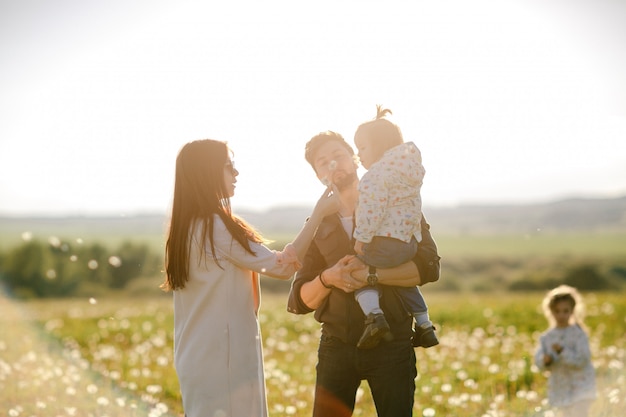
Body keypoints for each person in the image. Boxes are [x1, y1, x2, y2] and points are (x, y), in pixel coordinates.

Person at [162, 139, 338, 417]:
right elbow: (281, 267)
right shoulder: (215, 226)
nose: (236, 173)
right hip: (224, 358)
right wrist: (318, 214)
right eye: (229, 167)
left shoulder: (186, 229)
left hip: (197, 356)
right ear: (206, 172)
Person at [287, 130, 439, 417]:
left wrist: (371, 275)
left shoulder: (398, 204)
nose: (333, 165)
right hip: (336, 346)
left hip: (392, 344)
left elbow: (429, 268)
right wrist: (328, 278)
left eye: (339, 156)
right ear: (318, 173)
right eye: (323, 162)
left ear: (355, 158)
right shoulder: (317, 224)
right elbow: (299, 300)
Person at [351, 105, 438, 349]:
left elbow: (372, 211)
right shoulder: (409, 172)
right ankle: (424, 324)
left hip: (383, 242)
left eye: (363, 148)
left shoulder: (375, 176)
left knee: (359, 274)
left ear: (379, 147)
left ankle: (375, 317)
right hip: (407, 243)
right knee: (402, 280)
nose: (359, 155)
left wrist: (361, 239)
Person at [534, 285, 597, 417]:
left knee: (579, 413)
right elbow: (538, 361)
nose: (561, 315)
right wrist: (545, 360)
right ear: (550, 311)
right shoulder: (547, 337)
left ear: (572, 311)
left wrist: (562, 351)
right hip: (560, 386)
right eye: (557, 311)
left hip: (581, 385)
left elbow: (582, 360)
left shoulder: (579, 334)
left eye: (565, 311)